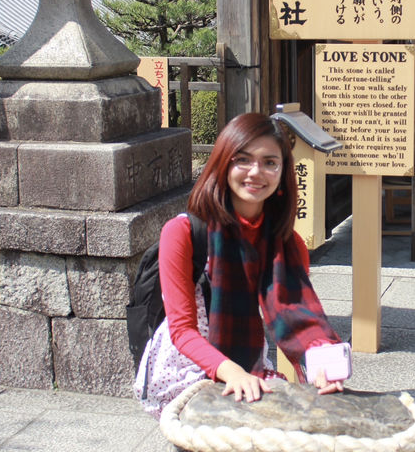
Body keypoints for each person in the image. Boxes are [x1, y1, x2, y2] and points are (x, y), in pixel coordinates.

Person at [135, 112, 345, 419]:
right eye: (243, 159)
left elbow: (297, 316)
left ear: (283, 172)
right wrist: (231, 372)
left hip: (249, 362)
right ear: (223, 164)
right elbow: (182, 331)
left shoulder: (288, 244)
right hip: (187, 365)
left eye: (270, 162)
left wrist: (322, 363)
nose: (256, 172)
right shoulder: (182, 233)